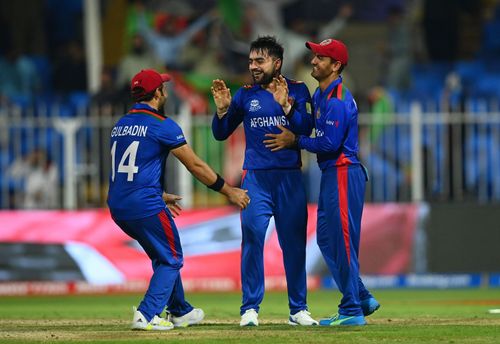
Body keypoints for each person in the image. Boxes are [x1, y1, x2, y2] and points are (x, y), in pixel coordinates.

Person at [107, 69, 250, 331]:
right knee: (172, 258)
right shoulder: (163, 125)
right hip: (144, 204)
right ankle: (147, 314)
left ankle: (180, 311)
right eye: (163, 87)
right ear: (158, 93)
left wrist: (159, 194)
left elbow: (126, 171)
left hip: (119, 205)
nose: (166, 90)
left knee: (162, 255)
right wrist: (229, 191)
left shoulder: (120, 125)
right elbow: (194, 165)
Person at [263, 38, 380, 326]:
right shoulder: (322, 94)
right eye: (314, 56)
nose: (313, 61)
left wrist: (295, 140)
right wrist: (289, 107)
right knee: (328, 239)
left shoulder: (338, 100)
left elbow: (329, 142)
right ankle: (361, 296)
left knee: (341, 240)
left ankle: (352, 309)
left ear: (336, 65)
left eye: (320, 57)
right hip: (333, 174)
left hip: (342, 172)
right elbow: (310, 125)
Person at [211, 36, 317, 327]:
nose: (253, 66)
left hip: (290, 179)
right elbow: (220, 133)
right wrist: (221, 111)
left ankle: (298, 309)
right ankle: (250, 309)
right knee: (253, 240)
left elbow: (307, 129)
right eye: (250, 61)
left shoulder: (297, 90)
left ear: (277, 63)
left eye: (260, 61)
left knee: (294, 245)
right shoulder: (245, 95)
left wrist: (287, 108)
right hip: (255, 179)